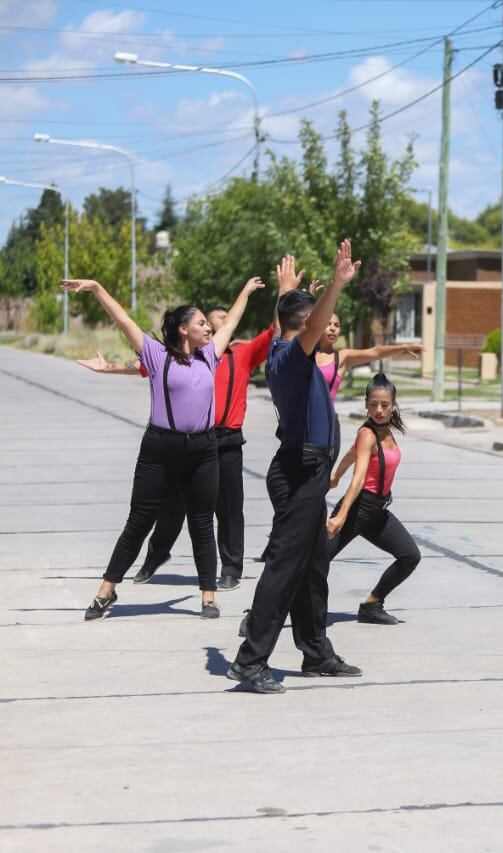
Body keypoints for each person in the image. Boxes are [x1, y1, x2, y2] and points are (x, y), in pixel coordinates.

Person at [73, 263, 295, 590]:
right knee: (165, 511)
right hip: (174, 445)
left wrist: (266, 293)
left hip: (221, 442)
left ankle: (223, 578)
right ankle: (147, 561)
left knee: (220, 513)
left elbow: (264, 326)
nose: (212, 327)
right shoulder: (169, 358)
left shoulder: (232, 354)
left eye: (214, 322)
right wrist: (106, 362)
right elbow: (134, 347)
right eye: (205, 321)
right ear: (185, 329)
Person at [227, 240, 364, 694]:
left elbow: (289, 320)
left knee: (314, 566)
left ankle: (315, 652)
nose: (324, 330)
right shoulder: (291, 358)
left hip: (304, 472)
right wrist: (338, 283)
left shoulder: (283, 354)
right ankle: (250, 661)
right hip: (300, 473)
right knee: (285, 566)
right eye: (315, 323)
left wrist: (286, 291)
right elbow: (311, 322)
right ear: (304, 325)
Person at [326, 373, 421, 625]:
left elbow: (351, 452)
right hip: (357, 509)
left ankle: (372, 604)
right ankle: (263, 614)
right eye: (373, 404)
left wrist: (335, 475)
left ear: (393, 405)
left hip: (377, 512)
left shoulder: (386, 431)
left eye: (385, 405)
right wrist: (341, 515)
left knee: (409, 556)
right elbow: (358, 480)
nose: (379, 410)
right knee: (314, 561)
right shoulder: (368, 434)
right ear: (366, 404)